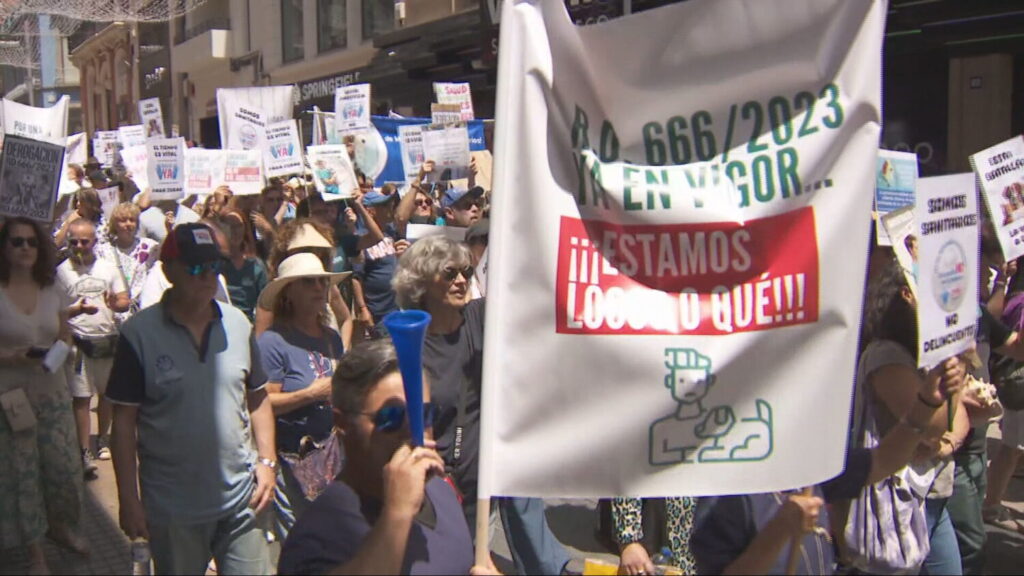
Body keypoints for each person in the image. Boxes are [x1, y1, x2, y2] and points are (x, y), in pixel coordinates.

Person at [691, 258, 967, 575]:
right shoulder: (725, 487)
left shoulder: (806, 459)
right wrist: (781, 529)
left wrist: (926, 402)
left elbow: (882, 461)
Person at [392, 235, 572, 575]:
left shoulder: (483, 317)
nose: (461, 280)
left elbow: (535, 295)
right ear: (421, 281)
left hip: (480, 485)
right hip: (433, 489)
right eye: (449, 273)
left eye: (465, 271)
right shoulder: (408, 341)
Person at [107, 222, 276, 575]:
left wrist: (267, 461)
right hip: (173, 508)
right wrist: (128, 498)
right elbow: (123, 424)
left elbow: (258, 398)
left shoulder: (238, 324)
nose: (208, 276)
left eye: (214, 266)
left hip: (241, 498)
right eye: (196, 267)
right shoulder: (139, 334)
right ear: (168, 271)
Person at [277, 338, 498, 575]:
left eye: (423, 414)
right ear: (343, 423)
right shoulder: (317, 538)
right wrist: (398, 514)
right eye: (392, 417)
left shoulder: (442, 492)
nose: (414, 433)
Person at [0, 218, 89, 574]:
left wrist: (58, 352)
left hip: (53, 394)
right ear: (4, 247)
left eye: (31, 242)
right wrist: (11, 358)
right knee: (23, 476)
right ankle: (35, 552)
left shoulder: (52, 288)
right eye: (16, 241)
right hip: (11, 399)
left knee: (63, 470)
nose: (25, 248)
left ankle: (62, 527)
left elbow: (64, 334)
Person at [256, 252, 349, 534]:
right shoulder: (273, 342)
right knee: (301, 541)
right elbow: (263, 404)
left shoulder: (331, 338)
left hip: (333, 458)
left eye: (322, 281)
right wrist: (309, 394)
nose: (319, 288)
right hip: (293, 463)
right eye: (309, 281)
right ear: (288, 292)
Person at [57, 219, 130, 475]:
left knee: (106, 395)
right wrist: (74, 313)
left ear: (94, 242)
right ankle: (84, 449)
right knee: (81, 398)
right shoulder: (61, 272)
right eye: (73, 241)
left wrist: (115, 303)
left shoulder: (108, 268)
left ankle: (103, 439)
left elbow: (124, 300)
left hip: (106, 339)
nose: (79, 246)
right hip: (78, 342)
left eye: (84, 241)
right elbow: (55, 311)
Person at [97, 202, 159, 326]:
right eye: (123, 220)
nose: (128, 224)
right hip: (113, 316)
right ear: (115, 224)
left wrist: (169, 229)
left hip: (141, 313)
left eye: (132, 220)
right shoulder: (103, 251)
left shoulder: (149, 247)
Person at [352, 188, 407, 328]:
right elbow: (356, 278)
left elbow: (402, 216)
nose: (390, 208)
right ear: (370, 211)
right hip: (378, 312)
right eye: (384, 206)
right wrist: (363, 309)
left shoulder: (390, 232)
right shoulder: (362, 239)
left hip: (396, 307)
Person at [220, 210, 269, 322]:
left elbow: (265, 303)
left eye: (239, 226)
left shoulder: (256, 265)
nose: (235, 231)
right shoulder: (215, 264)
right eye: (230, 226)